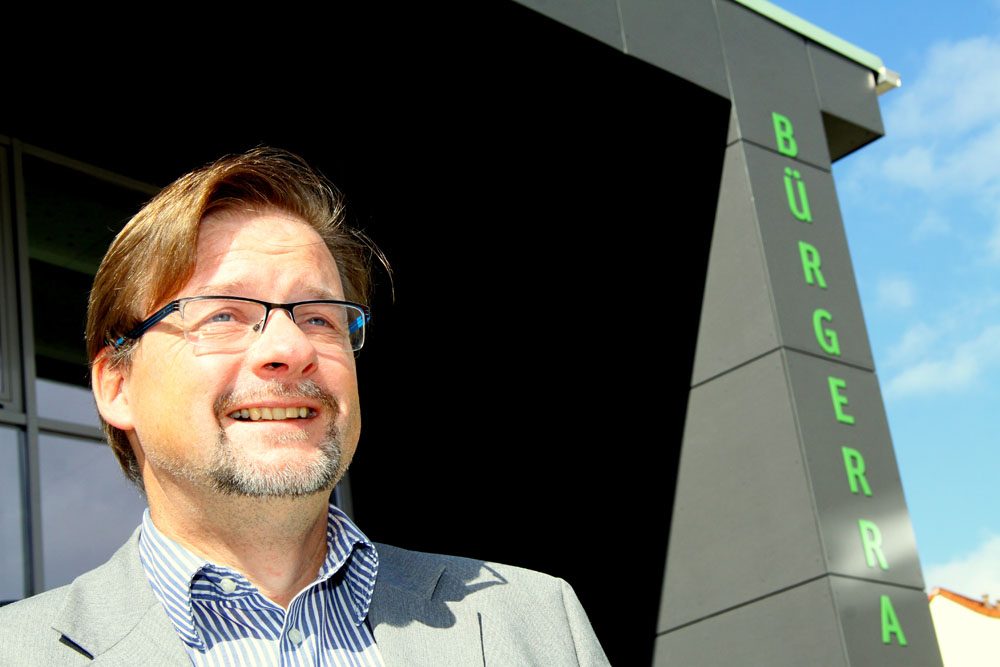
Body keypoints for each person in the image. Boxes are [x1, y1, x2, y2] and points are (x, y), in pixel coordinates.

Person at [0, 148, 609, 665]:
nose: (290, 349)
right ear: (117, 386)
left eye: (319, 317)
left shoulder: (536, 624)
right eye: (224, 315)